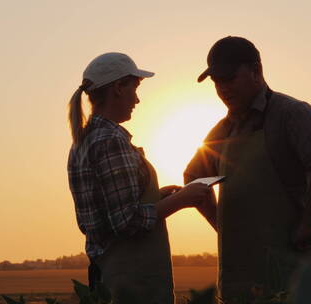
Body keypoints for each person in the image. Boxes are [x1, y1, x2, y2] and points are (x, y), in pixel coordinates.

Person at [185, 37, 311, 302]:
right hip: (235, 285)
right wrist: (221, 225)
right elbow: (193, 178)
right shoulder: (223, 129)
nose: (223, 88)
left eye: (229, 78)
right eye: (217, 82)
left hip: (291, 281)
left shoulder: (290, 114)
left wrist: (307, 221)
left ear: (256, 71)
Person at [67, 52, 210, 303]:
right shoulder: (111, 140)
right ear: (119, 88)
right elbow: (126, 221)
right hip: (132, 283)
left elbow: (106, 214)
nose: (138, 99)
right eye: (135, 88)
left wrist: (156, 195)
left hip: (108, 275)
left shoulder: (84, 140)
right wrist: (183, 199)